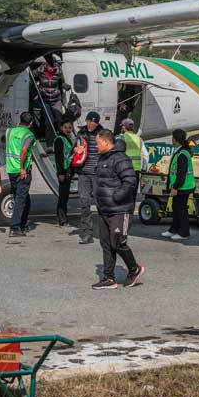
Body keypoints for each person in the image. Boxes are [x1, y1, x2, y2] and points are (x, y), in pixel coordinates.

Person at [91, 130, 145, 289]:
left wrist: (116, 197)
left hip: (120, 210)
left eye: (97, 143)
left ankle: (134, 269)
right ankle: (108, 278)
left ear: (106, 142)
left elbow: (130, 181)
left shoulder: (121, 158)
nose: (96, 146)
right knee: (106, 245)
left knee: (117, 242)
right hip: (104, 210)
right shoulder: (102, 158)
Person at [73, 111, 104, 245]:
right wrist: (75, 150)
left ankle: (105, 233)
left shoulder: (103, 134)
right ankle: (87, 233)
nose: (91, 124)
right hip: (84, 173)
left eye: (94, 122)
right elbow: (73, 147)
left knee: (101, 204)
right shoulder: (81, 133)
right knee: (84, 203)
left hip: (98, 173)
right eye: (89, 121)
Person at [4, 112, 37, 238]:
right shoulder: (29, 135)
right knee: (20, 199)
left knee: (24, 198)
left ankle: (22, 223)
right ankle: (15, 227)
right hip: (22, 171)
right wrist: (22, 168)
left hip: (11, 169)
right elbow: (24, 150)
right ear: (31, 123)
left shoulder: (9, 132)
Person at [162, 128, 195, 241]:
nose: (171, 139)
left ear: (176, 139)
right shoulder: (180, 151)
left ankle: (184, 233)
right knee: (176, 208)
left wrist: (176, 187)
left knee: (181, 210)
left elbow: (181, 173)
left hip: (183, 187)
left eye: (173, 137)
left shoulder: (182, 154)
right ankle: (174, 229)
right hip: (182, 186)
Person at [32, 56, 69, 138]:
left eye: (53, 67)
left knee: (59, 120)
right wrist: (36, 84)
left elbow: (62, 82)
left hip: (56, 100)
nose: (52, 69)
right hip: (45, 100)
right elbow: (31, 74)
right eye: (50, 68)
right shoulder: (40, 70)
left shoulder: (58, 71)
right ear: (46, 65)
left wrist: (65, 85)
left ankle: (61, 138)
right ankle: (50, 141)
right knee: (49, 121)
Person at [53, 119, 76, 227]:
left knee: (65, 196)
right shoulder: (59, 139)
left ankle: (62, 216)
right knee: (63, 196)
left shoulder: (67, 139)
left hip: (68, 171)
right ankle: (62, 219)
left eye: (70, 128)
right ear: (61, 128)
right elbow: (59, 157)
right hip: (63, 171)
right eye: (66, 127)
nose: (68, 130)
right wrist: (60, 173)